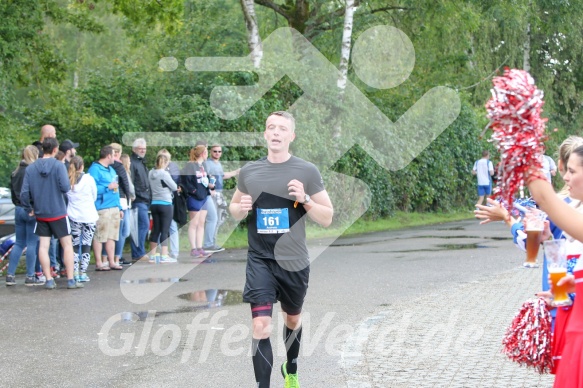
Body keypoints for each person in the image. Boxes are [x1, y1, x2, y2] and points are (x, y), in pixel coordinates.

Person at [229, 111, 333, 388]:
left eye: (281, 128)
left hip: (293, 261)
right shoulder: (249, 171)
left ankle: (292, 366)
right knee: (261, 326)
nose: (275, 132)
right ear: (265, 134)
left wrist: (306, 199)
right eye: (270, 127)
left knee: (293, 319)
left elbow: (327, 217)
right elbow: (234, 208)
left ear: (291, 136)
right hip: (260, 259)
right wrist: (239, 209)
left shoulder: (306, 171)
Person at [527, 145, 583, 387]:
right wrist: (569, 289)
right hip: (573, 327)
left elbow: (543, 198)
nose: (565, 177)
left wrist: (522, 144)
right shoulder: (577, 208)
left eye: (572, 171)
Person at [20, 138, 83, 289]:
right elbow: (66, 187)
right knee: (67, 245)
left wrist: (29, 209)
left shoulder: (30, 168)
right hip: (58, 212)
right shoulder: (58, 165)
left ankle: (48, 279)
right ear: (55, 150)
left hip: (41, 213)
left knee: (43, 246)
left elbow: (23, 194)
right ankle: (70, 280)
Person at [5, 146, 42, 286]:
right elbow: (35, 192)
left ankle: (10, 274)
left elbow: (14, 194)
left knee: (19, 243)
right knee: (32, 243)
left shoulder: (15, 172)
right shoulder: (33, 171)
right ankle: (30, 275)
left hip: (18, 209)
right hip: (31, 209)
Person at [88, 145, 123, 271]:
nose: (115, 157)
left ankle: (112, 261)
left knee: (111, 236)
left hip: (113, 206)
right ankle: (99, 262)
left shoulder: (111, 170)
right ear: (108, 155)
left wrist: (119, 207)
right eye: (114, 154)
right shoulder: (95, 169)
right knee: (100, 236)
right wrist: (106, 188)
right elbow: (91, 189)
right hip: (102, 207)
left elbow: (116, 189)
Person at [66, 156, 98, 282]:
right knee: (86, 244)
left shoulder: (68, 180)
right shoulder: (89, 179)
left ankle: (74, 271)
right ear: (82, 166)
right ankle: (83, 272)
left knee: (74, 245)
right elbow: (94, 195)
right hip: (89, 215)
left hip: (74, 216)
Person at [204, 143, 240, 252]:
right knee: (213, 218)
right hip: (213, 194)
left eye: (219, 151)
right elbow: (205, 177)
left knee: (219, 218)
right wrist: (210, 190)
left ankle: (212, 243)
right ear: (211, 152)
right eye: (215, 151)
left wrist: (236, 172)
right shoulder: (208, 163)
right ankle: (208, 244)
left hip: (219, 193)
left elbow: (222, 176)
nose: (217, 153)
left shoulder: (218, 164)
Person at [181, 145, 211, 258]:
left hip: (204, 196)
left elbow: (205, 180)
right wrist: (193, 191)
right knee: (194, 223)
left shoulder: (203, 166)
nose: (207, 155)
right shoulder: (191, 166)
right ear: (203, 153)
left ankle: (200, 247)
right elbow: (186, 181)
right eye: (206, 152)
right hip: (194, 197)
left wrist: (209, 186)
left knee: (201, 223)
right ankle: (193, 248)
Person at [148, 153, 178, 263]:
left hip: (154, 203)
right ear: (165, 163)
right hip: (165, 203)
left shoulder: (151, 173)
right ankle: (164, 255)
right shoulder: (164, 174)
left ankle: (152, 255)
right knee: (165, 230)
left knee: (155, 229)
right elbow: (174, 187)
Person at [107, 143, 132, 266]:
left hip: (112, 200)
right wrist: (129, 197)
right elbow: (125, 183)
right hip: (121, 200)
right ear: (117, 153)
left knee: (112, 231)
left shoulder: (107, 166)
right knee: (123, 231)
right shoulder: (119, 166)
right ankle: (118, 256)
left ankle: (108, 257)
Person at [129, 138, 151, 262]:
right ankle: (138, 253)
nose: (143, 150)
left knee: (142, 226)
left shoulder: (142, 162)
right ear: (134, 149)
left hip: (144, 199)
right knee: (142, 226)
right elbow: (131, 182)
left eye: (144, 148)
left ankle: (139, 252)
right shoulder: (133, 163)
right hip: (137, 200)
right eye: (140, 148)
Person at [157, 149, 181, 259]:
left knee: (163, 227)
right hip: (165, 201)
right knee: (168, 227)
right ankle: (166, 252)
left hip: (159, 201)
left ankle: (160, 252)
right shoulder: (162, 172)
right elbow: (174, 186)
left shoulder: (153, 172)